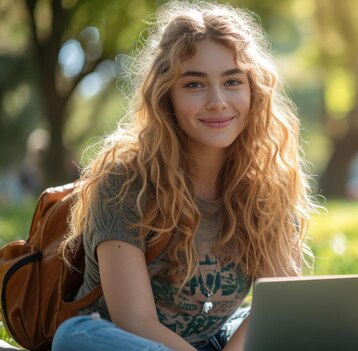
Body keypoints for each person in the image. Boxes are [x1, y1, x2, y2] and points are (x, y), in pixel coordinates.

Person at [52, 1, 315, 350]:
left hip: (210, 341)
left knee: (299, 321)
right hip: (126, 342)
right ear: (167, 97)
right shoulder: (125, 181)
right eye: (194, 85)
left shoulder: (267, 185)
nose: (218, 101)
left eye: (233, 81)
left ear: (254, 91)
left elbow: (277, 301)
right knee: (74, 338)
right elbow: (134, 320)